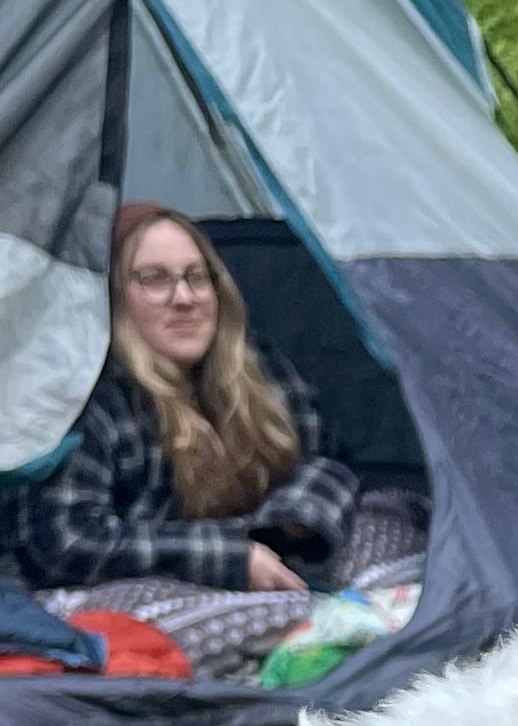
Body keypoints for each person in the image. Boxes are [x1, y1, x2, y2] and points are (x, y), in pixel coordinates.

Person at [15, 205, 362, 598]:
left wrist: (289, 524)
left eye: (197, 277)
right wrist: (229, 557)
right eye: (154, 279)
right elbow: (66, 544)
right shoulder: (89, 401)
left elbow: (332, 459)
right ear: (113, 297)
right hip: (140, 596)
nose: (184, 298)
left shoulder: (256, 369)